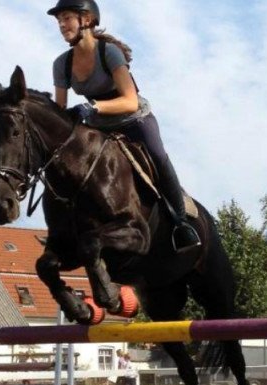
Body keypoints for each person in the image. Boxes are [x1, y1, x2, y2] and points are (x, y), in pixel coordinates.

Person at [47, 0, 201, 253]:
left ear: (86, 20)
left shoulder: (109, 52)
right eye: (59, 21)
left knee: (159, 157)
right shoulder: (61, 64)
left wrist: (92, 107)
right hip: (99, 126)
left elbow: (129, 100)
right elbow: (60, 112)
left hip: (134, 119)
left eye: (66, 18)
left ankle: (181, 224)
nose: (62, 25)